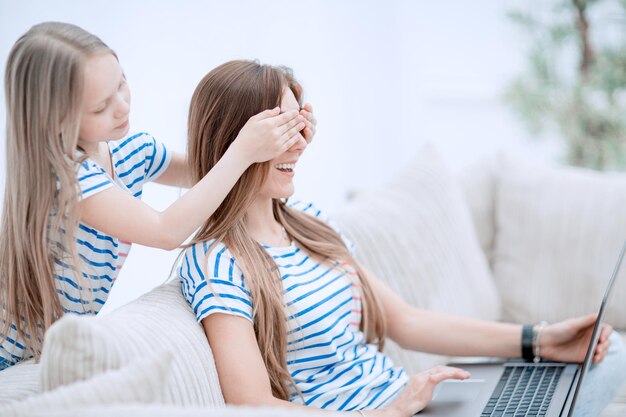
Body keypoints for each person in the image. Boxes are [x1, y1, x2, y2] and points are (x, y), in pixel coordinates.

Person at [177, 59, 626, 417]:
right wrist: (385, 413)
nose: (299, 144)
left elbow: (406, 321)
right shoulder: (217, 261)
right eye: (281, 130)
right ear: (237, 141)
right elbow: (251, 405)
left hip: (411, 403)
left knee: (611, 356)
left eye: (301, 126)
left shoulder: (308, 223)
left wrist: (540, 340)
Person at [0, 22, 317, 371]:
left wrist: (288, 142)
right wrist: (244, 150)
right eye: (101, 106)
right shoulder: (68, 182)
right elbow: (167, 231)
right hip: (10, 348)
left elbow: (213, 169)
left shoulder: (132, 151)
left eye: (121, 83)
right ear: (54, 119)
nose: (122, 106)